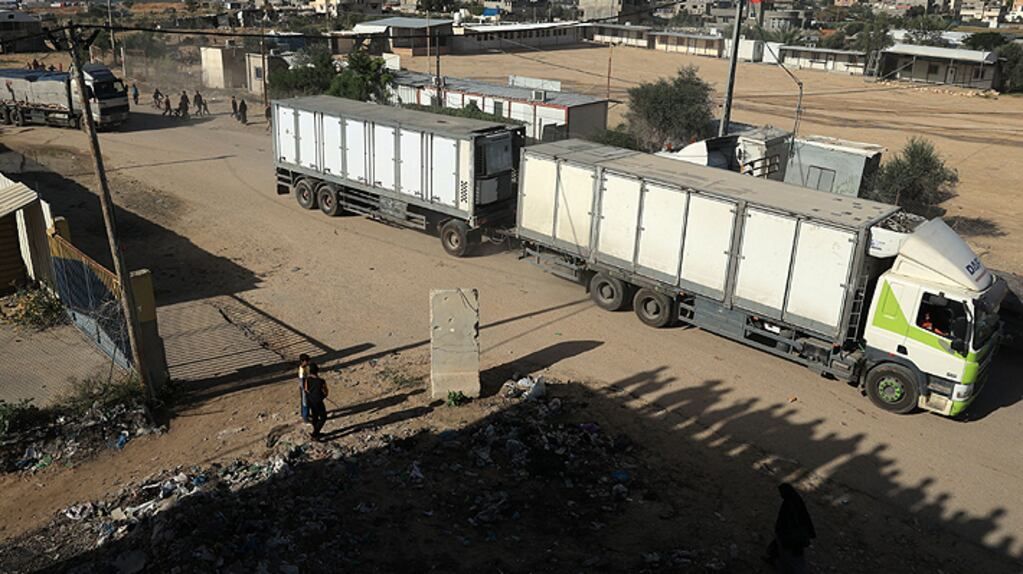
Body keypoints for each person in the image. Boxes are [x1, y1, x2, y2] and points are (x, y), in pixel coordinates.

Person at [764, 483, 815, 574]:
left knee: (792, 561)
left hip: (790, 538)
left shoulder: (790, 504)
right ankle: (773, 560)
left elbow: (790, 522)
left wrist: (783, 533)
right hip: (789, 535)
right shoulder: (794, 501)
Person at [303, 363, 329, 440]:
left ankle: (316, 431)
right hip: (318, 401)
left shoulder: (307, 380)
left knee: (315, 416)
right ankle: (315, 433)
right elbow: (325, 392)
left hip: (310, 401)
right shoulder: (321, 381)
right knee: (323, 417)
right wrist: (323, 396)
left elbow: (306, 389)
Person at [297, 353, 311, 422]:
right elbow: (302, 381)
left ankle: (305, 414)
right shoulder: (301, 370)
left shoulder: (305, 367)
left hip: (306, 386)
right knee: (305, 402)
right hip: (304, 388)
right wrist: (305, 389)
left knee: (305, 401)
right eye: (307, 361)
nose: (308, 362)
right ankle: (305, 417)